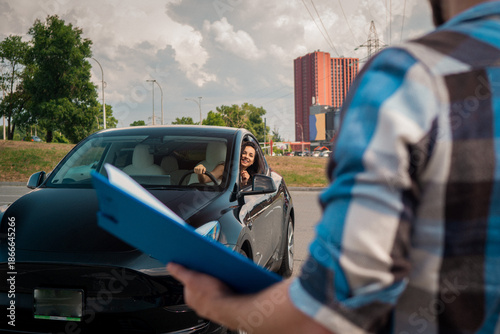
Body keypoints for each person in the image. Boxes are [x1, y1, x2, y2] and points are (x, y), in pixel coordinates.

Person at [168, 1, 500, 333]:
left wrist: (217, 305)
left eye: (250, 155)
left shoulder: (410, 78)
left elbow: (329, 311)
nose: (246, 158)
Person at [194, 141, 260, 187]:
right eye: (244, 153)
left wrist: (244, 182)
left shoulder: (253, 177)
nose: (246, 156)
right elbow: (204, 180)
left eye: (251, 155)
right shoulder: (225, 168)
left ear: (253, 162)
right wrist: (201, 171)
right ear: (238, 154)